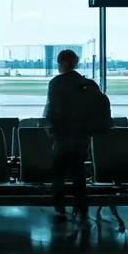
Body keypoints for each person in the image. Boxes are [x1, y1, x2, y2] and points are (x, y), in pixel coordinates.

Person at [42, 49, 91, 219]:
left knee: (59, 171)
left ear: (62, 64)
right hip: (81, 135)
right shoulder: (85, 83)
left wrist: (49, 128)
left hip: (62, 134)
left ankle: (59, 203)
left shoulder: (56, 83)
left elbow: (50, 111)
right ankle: (81, 205)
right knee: (78, 171)